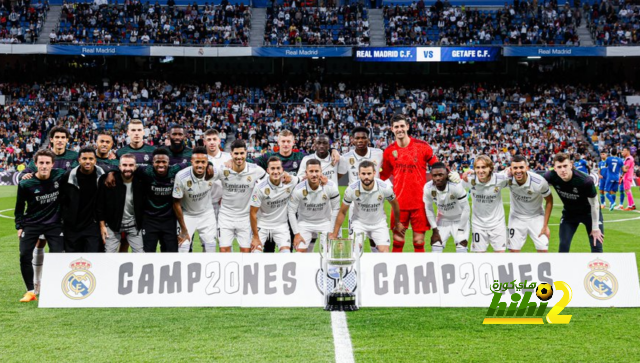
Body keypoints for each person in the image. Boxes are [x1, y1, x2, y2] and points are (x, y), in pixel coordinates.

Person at [21, 126, 79, 296]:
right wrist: (26, 175)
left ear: (67, 140)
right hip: (42, 210)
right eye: (57, 137)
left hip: (63, 209)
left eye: (63, 137)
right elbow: (25, 174)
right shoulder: (42, 156)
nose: (60, 140)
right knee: (40, 243)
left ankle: (56, 283)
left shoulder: (74, 156)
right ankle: (37, 283)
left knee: (60, 248)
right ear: (51, 139)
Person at [381, 115, 439, 253]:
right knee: (397, 241)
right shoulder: (389, 151)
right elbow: (383, 176)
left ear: (407, 126)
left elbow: (437, 166)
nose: (399, 129)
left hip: (420, 204)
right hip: (399, 204)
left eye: (402, 126)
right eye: (396, 127)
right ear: (392, 129)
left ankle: (421, 274)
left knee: (419, 242)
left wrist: (452, 177)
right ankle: (395, 272)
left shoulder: (422, 147)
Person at [15, 150, 66, 302]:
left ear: (53, 164)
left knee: (57, 255)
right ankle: (30, 291)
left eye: (47, 163)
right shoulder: (26, 183)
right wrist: (19, 226)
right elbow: (19, 207)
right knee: (24, 255)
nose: (44, 166)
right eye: (41, 163)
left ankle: (52, 286)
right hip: (32, 223)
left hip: (54, 224)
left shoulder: (60, 175)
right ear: (35, 164)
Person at [330, 161, 402, 253]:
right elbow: (342, 212)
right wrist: (335, 234)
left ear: (374, 173)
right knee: (354, 250)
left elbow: (395, 204)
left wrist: (397, 222)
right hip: (359, 223)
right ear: (359, 174)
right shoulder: (351, 189)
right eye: (363, 174)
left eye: (369, 173)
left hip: (379, 224)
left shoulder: (385, 188)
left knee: (384, 252)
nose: (366, 176)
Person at [544, 153, 604, 253]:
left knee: (596, 245)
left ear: (571, 165)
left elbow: (595, 204)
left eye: (565, 166)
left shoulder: (585, 181)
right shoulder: (550, 176)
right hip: (569, 214)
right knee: (563, 245)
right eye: (559, 167)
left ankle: (598, 268)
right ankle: (562, 268)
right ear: (554, 168)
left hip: (589, 214)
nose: (563, 170)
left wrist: (595, 227)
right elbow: (534, 182)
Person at [338, 126, 385, 252]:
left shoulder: (378, 153)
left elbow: (386, 170)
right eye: (357, 138)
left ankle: (375, 266)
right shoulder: (346, 157)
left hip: (375, 202)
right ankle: (356, 269)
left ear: (368, 139)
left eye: (363, 138)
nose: (360, 140)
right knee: (355, 242)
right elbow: (336, 176)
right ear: (352, 140)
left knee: (374, 238)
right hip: (356, 204)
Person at [216, 140, 266, 253]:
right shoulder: (223, 169)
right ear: (231, 154)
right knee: (224, 250)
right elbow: (208, 174)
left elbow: (269, 182)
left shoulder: (256, 170)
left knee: (246, 252)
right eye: (236, 154)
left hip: (245, 217)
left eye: (242, 153)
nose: (239, 157)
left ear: (246, 153)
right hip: (225, 216)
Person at [135, 148, 186, 252]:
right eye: (158, 162)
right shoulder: (146, 171)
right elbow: (127, 166)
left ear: (169, 162)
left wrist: (210, 164)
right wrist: (111, 173)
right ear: (152, 162)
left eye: (164, 162)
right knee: (148, 252)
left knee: (170, 253)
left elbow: (194, 163)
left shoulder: (175, 170)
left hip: (169, 220)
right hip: (149, 219)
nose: (161, 164)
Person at [288, 159, 340, 253]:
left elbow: (336, 209)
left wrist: (332, 231)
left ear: (321, 172)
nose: (314, 174)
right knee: (300, 252)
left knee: (329, 252)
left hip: (325, 222)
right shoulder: (298, 189)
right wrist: (296, 234)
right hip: (304, 223)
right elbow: (291, 212)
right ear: (306, 173)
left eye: (317, 171)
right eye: (311, 171)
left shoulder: (331, 186)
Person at [96, 154, 145, 253]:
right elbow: (100, 205)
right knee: (109, 255)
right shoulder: (108, 180)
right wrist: (102, 226)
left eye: (131, 165)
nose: (128, 168)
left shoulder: (141, 181)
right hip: (112, 224)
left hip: (133, 225)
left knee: (140, 255)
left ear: (135, 167)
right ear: (119, 166)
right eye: (124, 165)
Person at [60, 147, 106, 253]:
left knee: (93, 259)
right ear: (79, 160)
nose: (88, 161)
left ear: (95, 160)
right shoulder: (68, 177)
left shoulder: (102, 176)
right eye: (84, 158)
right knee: (73, 261)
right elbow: (62, 200)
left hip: (93, 226)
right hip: (72, 226)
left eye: (91, 158)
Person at [172, 146, 217, 253]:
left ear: (207, 162)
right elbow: (176, 203)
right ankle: (182, 269)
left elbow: (229, 172)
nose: (200, 165)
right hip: (187, 215)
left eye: (203, 162)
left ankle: (208, 269)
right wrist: (183, 228)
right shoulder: (181, 176)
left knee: (210, 247)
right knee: (183, 246)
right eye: (197, 162)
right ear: (191, 161)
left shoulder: (213, 172)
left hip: (207, 214)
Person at [250, 157, 299, 253]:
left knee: (286, 255)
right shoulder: (260, 188)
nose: (275, 171)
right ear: (268, 170)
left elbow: (306, 179)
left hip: (281, 226)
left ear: (282, 170)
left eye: (278, 168)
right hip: (262, 226)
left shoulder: (291, 181)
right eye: (272, 169)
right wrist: (255, 237)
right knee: (255, 254)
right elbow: (252, 213)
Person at [462, 155, 509, 253]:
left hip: (497, 224)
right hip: (478, 225)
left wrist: (510, 169)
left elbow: (513, 174)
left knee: (500, 256)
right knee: (479, 258)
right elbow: (453, 184)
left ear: (490, 168)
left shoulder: (500, 179)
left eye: (484, 167)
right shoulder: (470, 180)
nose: (480, 170)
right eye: (478, 167)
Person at [506, 155, 553, 253]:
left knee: (543, 251)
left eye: (521, 167)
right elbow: (489, 177)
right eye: (515, 168)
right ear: (511, 169)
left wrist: (545, 225)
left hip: (536, 217)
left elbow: (549, 201)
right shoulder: (507, 178)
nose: (518, 171)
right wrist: (471, 173)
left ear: (527, 168)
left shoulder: (539, 182)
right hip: (516, 217)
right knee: (513, 252)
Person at [423, 162, 470, 253]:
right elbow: (428, 209)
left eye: (441, 175)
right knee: (436, 249)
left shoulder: (456, 186)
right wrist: (435, 230)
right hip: (442, 219)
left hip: (460, 220)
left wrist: (460, 230)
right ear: (431, 176)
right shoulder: (428, 188)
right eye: (435, 175)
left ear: (447, 175)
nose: (438, 178)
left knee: (461, 250)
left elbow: (466, 209)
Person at [204, 129, 231, 220]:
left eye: (214, 139)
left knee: (224, 233)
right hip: (205, 205)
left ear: (219, 141)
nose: (212, 142)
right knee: (207, 233)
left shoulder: (229, 157)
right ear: (204, 142)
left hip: (225, 204)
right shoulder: (200, 160)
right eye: (209, 139)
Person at [620, 146, 636, 211]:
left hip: (627, 176)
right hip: (627, 176)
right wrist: (622, 176)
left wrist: (620, 165)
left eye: (624, 150)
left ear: (628, 151)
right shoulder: (628, 158)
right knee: (628, 190)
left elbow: (626, 168)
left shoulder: (629, 159)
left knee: (627, 190)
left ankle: (630, 206)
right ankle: (632, 204)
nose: (622, 152)